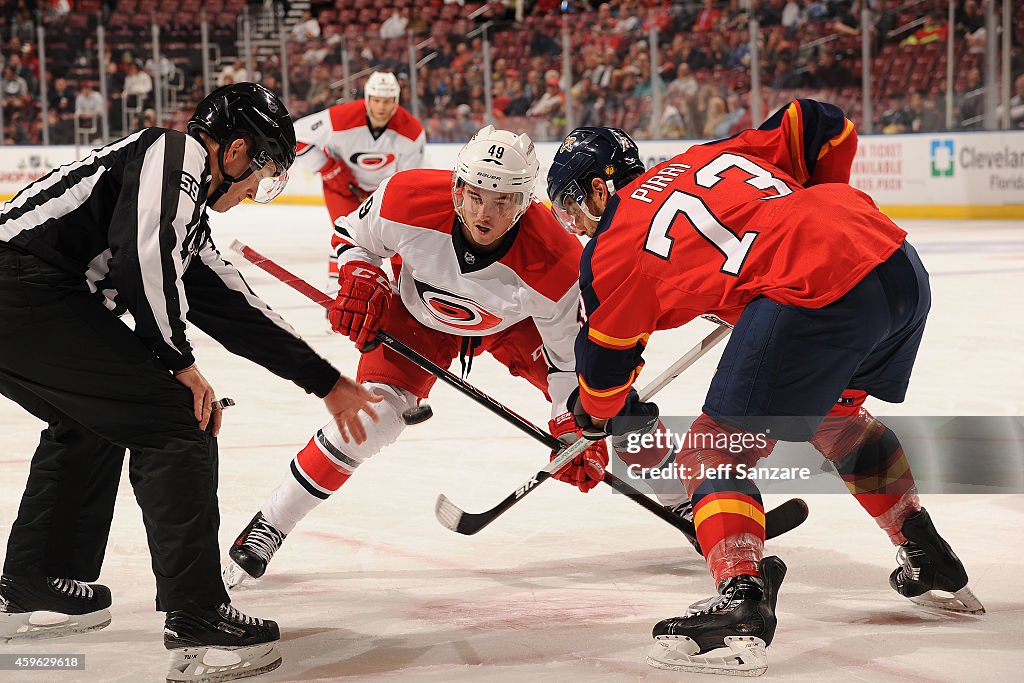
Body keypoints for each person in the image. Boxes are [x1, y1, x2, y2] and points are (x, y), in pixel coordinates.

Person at [546, 103, 983, 676]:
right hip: (892, 259)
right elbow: (822, 123)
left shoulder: (612, 249)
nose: (575, 224)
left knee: (711, 448)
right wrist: (811, 223)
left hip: (818, 289)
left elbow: (603, 375)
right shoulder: (706, 154)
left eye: (573, 206)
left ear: (601, 191)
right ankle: (929, 555)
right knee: (837, 419)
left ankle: (740, 604)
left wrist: (592, 416)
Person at [0, 83, 380, 681]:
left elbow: (231, 306)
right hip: (21, 289)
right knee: (178, 418)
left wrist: (325, 380)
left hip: (23, 296)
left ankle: (29, 584)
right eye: (264, 171)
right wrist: (178, 361)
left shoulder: (183, 203)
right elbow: (141, 260)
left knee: (91, 420)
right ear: (233, 152)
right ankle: (197, 617)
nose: (258, 190)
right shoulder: (173, 154)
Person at [222, 126, 617, 587]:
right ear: (457, 186)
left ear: (526, 203)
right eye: (474, 195)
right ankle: (270, 523)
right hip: (416, 318)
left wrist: (575, 426)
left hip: (512, 324)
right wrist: (360, 279)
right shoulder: (407, 196)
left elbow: (569, 365)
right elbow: (353, 236)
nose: (483, 213)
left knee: (606, 398)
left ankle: (683, 500)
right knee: (372, 421)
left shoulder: (558, 262)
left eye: (502, 200)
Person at [293, 71, 425, 295]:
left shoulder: (411, 130)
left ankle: (390, 294)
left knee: (396, 241)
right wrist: (327, 167)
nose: (382, 107)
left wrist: (391, 200)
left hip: (380, 192)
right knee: (347, 237)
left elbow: (410, 177)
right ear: (367, 99)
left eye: (387, 101)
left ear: (396, 101)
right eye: (377, 100)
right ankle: (337, 292)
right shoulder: (340, 118)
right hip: (342, 189)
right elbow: (295, 134)